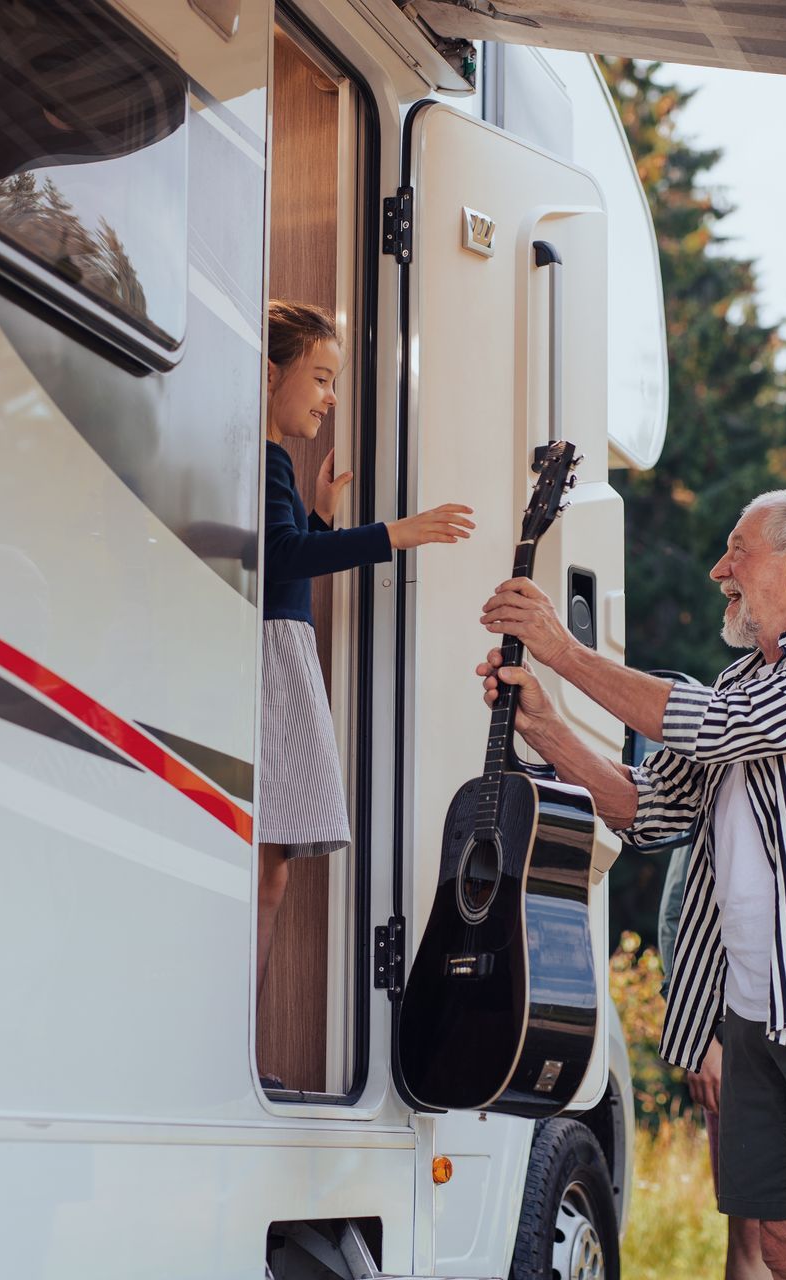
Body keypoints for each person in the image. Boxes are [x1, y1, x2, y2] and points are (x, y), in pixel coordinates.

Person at [477, 489, 786, 1280]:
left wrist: (562, 648)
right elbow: (647, 810)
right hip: (753, 1008)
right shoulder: (737, 685)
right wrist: (547, 727)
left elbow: (718, 729)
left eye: (739, 551)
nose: (720, 569)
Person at [257, 300, 474, 996]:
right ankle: (237, 1033)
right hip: (270, 670)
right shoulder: (263, 463)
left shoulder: (273, 465)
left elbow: (277, 556)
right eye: (320, 378)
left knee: (272, 863)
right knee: (268, 866)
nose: (331, 396)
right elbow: (283, 557)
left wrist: (317, 514)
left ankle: (239, 1028)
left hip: (276, 660)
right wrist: (395, 534)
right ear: (269, 375)